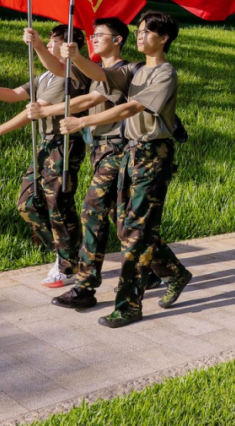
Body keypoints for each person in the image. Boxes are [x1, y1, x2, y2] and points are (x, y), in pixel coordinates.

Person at [59, 11, 192, 328]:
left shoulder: (165, 73)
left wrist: (84, 121)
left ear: (164, 38)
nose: (140, 36)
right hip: (131, 152)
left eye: (146, 32)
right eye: (139, 31)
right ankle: (174, 272)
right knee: (127, 228)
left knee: (134, 231)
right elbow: (102, 74)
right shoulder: (134, 71)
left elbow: (133, 106)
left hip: (153, 154)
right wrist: (76, 56)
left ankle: (129, 305)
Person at [29, 18, 167, 309]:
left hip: (118, 149)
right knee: (123, 223)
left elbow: (95, 89)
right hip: (101, 150)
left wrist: (76, 58)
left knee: (93, 213)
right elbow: (73, 72)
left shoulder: (127, 70)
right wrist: (44, 47)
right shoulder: (96, 72)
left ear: (118, 40)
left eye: (99, 35)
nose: (93, 38)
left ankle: (85, 286)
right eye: (91, 35)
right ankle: (160, 270)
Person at [0, 24, 89, 288]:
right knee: (27, 203)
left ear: (71, 46)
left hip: (64, 144)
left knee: (58, 203)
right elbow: (15, 95)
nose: (50, 44)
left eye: (56, 41)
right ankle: (68, 254)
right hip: (46, 146)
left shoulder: (72, 75)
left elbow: (33, 113)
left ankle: (67, 262)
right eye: (48, 40)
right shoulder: (46, 77)